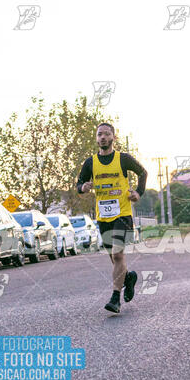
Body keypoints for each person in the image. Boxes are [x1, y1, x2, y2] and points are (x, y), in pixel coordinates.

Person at [77, 123, 147, 313]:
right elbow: (79, 184)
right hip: (103, 217)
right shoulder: (90, 163)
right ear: (96, 138)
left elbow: (143, 173)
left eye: (107, 134)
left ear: (113, 138)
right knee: (114, 258)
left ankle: (115, 298)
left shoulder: (123, 159)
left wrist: (138, 193)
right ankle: (129, 278)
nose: (103, 137)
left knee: (118, 254)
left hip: (123, 213)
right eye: (100, 134)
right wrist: (83, 187)